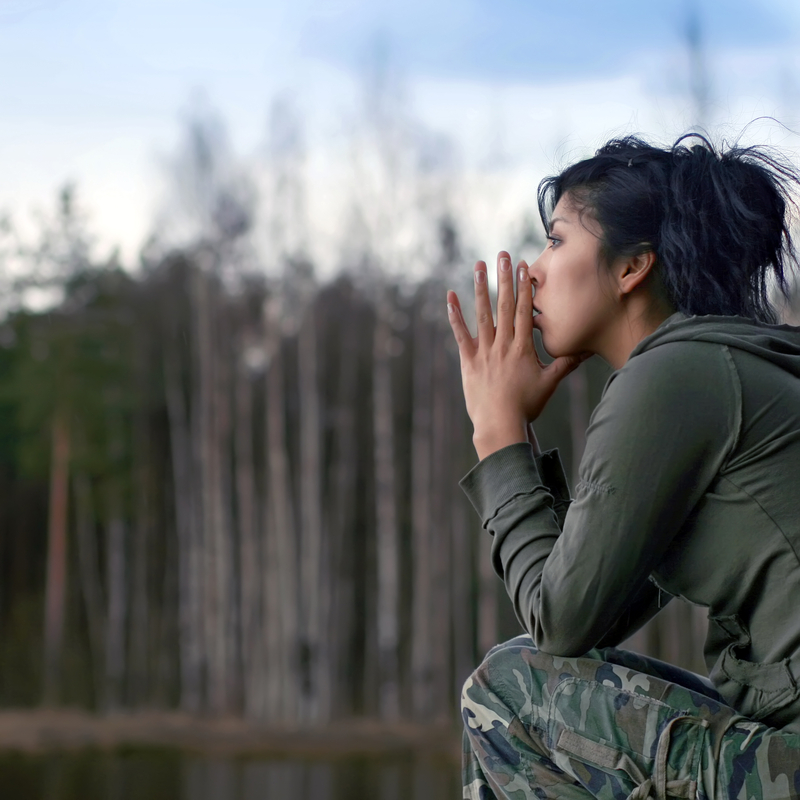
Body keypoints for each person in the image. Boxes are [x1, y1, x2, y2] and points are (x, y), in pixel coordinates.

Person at [445, 134, 800, 800]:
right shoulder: (722, 365)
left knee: (507, 688)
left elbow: (560, 624)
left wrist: (497, 437)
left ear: (633, 266)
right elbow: (590, 620)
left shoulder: (674, 375)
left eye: (555, 241)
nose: (533, 271)